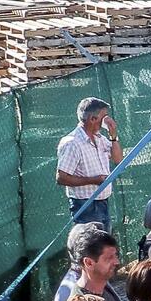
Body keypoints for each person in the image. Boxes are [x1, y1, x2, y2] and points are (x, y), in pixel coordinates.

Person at [55, 97, 123, 229]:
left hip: (102, 202)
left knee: (103, 243)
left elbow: (118, 159)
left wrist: (113, 137)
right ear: (92, 119)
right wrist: (93, 180)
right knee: (91, 246)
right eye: (104, 117)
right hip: (84, 205)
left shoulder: (100, 138)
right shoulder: (72, 143)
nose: (107, 120)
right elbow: (61, 178)